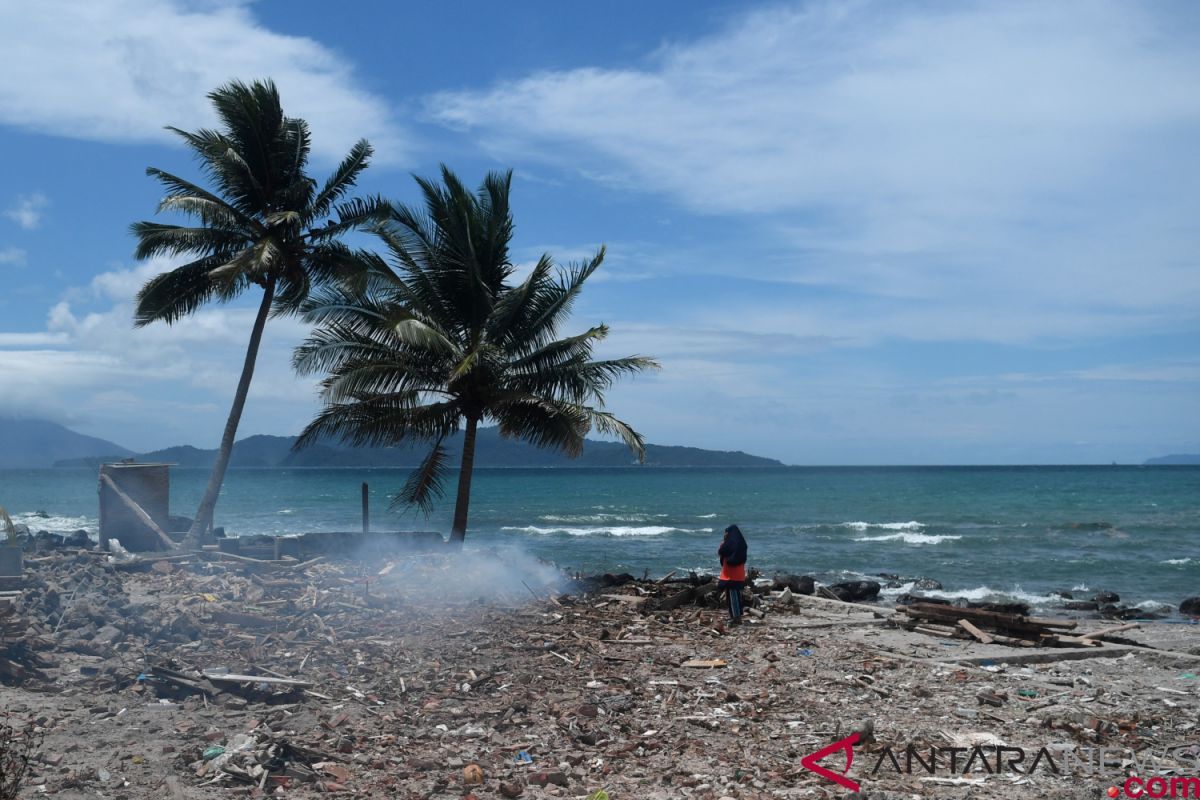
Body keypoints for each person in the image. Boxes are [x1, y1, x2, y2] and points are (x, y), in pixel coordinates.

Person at [717, 524, 748, 624]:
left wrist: (724, 542)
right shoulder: (741, 545)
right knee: (735, 596)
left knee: (732, 597)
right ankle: (736, 615)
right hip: (739, 575)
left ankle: (736, 618)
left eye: (726, 532)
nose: (725, 534)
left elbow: (721, 552)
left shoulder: (727, 544)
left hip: (730, 575)